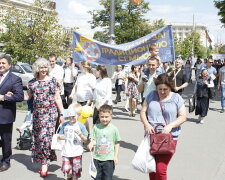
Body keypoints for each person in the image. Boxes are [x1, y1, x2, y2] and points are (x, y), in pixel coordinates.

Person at [140, 73, 187, 180]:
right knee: (151, 167)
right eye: (159, 89)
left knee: (161, 169)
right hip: (151, 137)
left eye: (165, 89)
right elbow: (143, 111)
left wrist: (170, 126)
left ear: (170, 87)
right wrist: (146, 124)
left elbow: (183, 116)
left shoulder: (177, 98)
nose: (161, 92)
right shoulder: (151, 95)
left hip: (169, 138)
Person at [24, 58, 64, 177]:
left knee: (46, 139)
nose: (44, 70)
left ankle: (44, 164)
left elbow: (57, 98)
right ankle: (44, 160)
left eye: (45, 67)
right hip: (37, 115)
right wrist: (12, 93)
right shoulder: (32, 83)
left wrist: (62, 114)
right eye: (41, 67)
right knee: (39, 139)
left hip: (51, 114)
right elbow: (27, 97)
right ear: (37, 68)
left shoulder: (52, 81)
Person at [0, 53, 24, 171]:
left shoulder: (15, 79)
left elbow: (20, 96)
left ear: (9, 65)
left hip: (5, 115)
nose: (1, 65)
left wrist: (4, 97)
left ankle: (6, 161)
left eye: (3, 63)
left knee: (6, 140)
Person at [88, 104, 121, 180]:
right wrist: (91, 143)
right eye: (102, 117)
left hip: (109, 160)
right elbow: (93, 138)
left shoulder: (114, 129)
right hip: (96, 158)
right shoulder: (96, 127)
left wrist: (115, 156)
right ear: (99, 116)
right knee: (96, 177)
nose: (104, 119)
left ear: (111, 116)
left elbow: (117, 143)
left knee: (107, 178)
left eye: (106, 117)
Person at [58, 108, 88, 180]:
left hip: (77, 152)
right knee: (67, 169)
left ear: (78, 115)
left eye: (73, 116)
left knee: (76, 171)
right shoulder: (65, 125)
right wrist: (61, 137)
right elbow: (59, 135)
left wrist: (81, 135)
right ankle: (69, 177)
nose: (71, 118)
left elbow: (86, 139)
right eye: (69, 116)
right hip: (66, 152)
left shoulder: (81, 126)